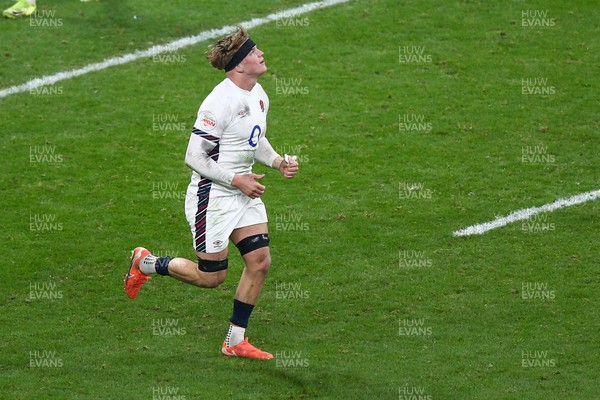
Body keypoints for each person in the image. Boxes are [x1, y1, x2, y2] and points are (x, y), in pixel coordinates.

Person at [125, 26, 299, 360]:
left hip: (240, 191)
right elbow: (194, 156)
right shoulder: (218, 102)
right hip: (212, 197)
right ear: (238, 66)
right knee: (211, 277)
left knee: (259, 262)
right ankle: (145, 263)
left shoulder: (259, 93)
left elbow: (253, 139)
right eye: (252, 52)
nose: (260, 54)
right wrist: (236, 180)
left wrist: (277, 161)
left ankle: (234, 341)